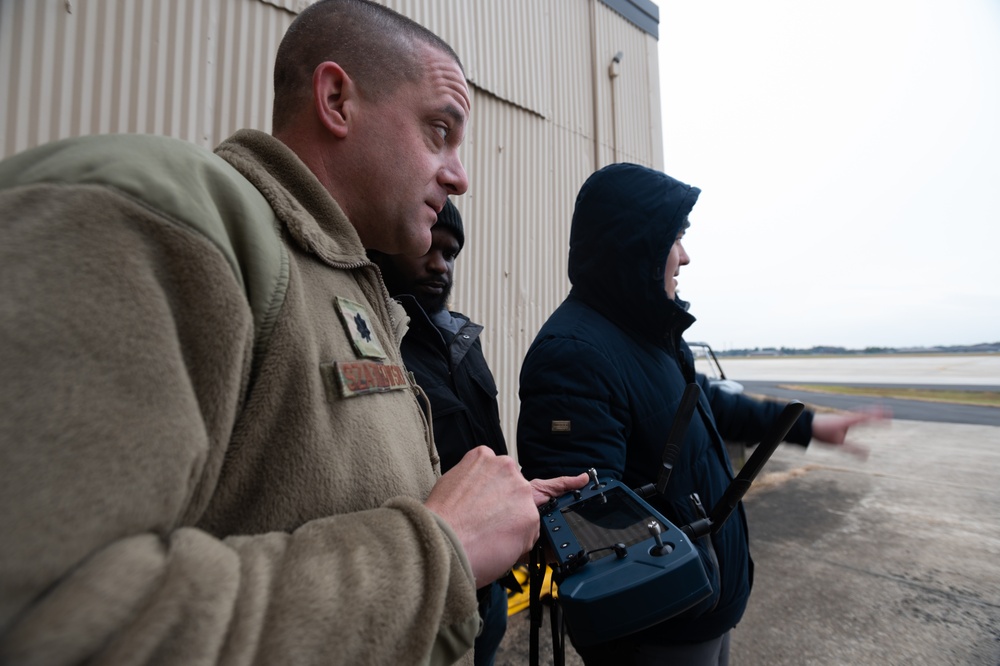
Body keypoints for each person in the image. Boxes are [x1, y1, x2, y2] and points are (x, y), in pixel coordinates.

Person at [0, 1, 586, 664]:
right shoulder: (168, 218)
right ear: (336, 99)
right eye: (439, 131)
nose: (459, 176)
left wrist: (494, 515)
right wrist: (439, 549)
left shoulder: (343, 276)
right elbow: (48, 618)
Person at [516, 162, 883, 665]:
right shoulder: (575, 355)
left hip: (702, 608)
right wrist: (690, 589)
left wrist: (811, 426)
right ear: (635, 245)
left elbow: (711, 404)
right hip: (658, 630)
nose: (684, 258)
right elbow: (591, 530)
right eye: (675, 238)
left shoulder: (650, 335)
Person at [370, 199, 509, 666]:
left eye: (451, 253)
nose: (440, 264)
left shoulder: (465, 342)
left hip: (488, 586)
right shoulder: (377, 345)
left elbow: (491, 445)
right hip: (427, 585)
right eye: (429, 246)